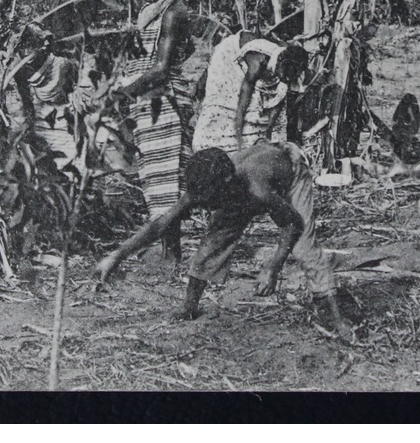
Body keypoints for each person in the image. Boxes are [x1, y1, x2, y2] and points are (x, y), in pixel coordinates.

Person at [94, 143, 349, 337]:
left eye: (208, 199)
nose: (203, 204)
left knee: (303, 247)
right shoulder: (208, 185)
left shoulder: (257, 188)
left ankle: (332, 308)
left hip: (290, 171)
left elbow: (292, 223)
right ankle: (190, 306)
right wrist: (116, 255)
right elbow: (160, 224)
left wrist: (273, 266)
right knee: (212, 243)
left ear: (224, 185)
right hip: (244, 182)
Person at [116, 0, 195, 260]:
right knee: (154, 177)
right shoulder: (151, 10)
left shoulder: (173, 12)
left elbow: (161, 69)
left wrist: (122, 92)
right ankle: (166, 249)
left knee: (168, 179)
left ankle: (172, 253)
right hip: (149, 100)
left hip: (166, 99)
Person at [192, 31, 306, 153]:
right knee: (227, 104)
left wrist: (268, 135)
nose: (288, 80)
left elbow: (278, 102)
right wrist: (239, 140)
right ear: (280, 64)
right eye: (286, 76)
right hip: (231, 53)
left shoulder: (289, 64)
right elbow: (241, 105)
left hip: (268, 64)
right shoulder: (258, 64)